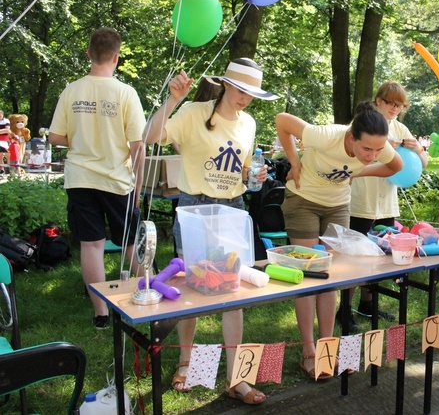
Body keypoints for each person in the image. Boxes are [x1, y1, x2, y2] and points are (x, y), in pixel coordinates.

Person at [143, 58, 277, 404]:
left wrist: (254, 178)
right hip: (194, 207)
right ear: (226, 85)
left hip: (232, 207)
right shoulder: (193, 112)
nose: (245, 98)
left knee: (233, 292)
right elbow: (151, 136)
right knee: (192, 286)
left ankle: (237, 378)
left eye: (252, 93)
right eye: (240, 89)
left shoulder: (248, 122)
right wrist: (172, 100)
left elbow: (243, 169)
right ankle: (186, 363)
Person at [275, 102, 403, 380]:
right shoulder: (326, 135)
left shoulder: (378, 149)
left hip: (338, 206)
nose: (372, 155)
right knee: (310, 274)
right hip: (303, 200)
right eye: (366, 149)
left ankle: (327, 347)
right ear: (351, 137)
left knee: (330, 276)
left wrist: (359, 172)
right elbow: (282, 120)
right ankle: (309, 352)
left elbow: (396, 165)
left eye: (378, 150)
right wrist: (295, 162)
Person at [48, 27, 146, 329]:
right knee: (131, 242)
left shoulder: (72, 90)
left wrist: (81, 136)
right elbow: (137, 146)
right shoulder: (126, 93)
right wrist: (139, 187)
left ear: (90, 53)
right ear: (116, 57)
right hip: (117, 180)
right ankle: (147, 297)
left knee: (92, 245)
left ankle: (101, 313)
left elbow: (55, 137)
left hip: (80, 178)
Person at [339, 82, 428, 331]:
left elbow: (422, 161)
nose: (393, 108)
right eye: (389, 102)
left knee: (380, 255)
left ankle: (369, 303)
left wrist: (418, 148)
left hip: (387, 204)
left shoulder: (401, 128)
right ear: (378, 100)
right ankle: (344, 309)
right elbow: (350, 156)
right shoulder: (362, 124)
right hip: (361, 201)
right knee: (356, 256)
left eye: (399, 105)